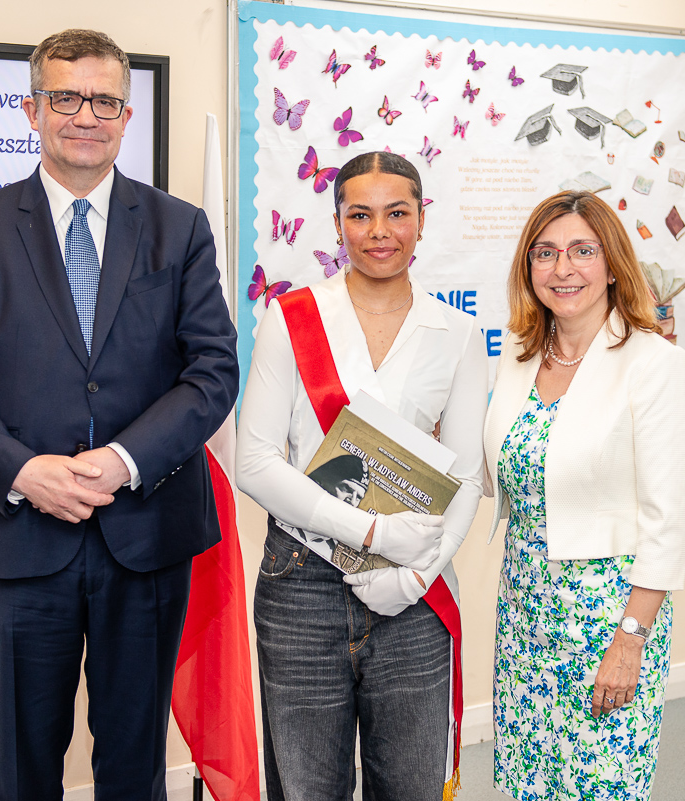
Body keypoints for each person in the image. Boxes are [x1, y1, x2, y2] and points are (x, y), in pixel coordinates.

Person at [0, 29, 238, 801]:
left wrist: (124, 460)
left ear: (126, 115)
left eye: (103, 100)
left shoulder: (180, 228)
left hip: (148, 540)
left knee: (134, 768)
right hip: (20, 545)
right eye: (65, 97)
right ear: (33, 110)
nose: (85, 115)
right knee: (23, 769)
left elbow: (212, 371)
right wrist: (25, 471)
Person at [236, 151, 487, 801]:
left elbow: (465, 477)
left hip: (414, 588)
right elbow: (254, 461)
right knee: (307, 788)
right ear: (338, 223)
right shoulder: (291, 317)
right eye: (360, 214)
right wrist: (372, 533)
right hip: (302, 584)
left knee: (410, 786)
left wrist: (418, 577)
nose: (379, 231)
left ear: (422, 219)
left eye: (397, 213)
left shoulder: (457, 333)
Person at [482, 190, 685, 800]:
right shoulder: (520, 357)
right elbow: (499, 469)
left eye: (582, 250)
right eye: (545, 253)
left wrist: (631, 638)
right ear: (529, 267)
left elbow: (667, 520)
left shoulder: (653, 363)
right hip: (525, 606)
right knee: (531, 780)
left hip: (607, 615)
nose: (563, 268)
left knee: (600, 783)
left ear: (612, 264)